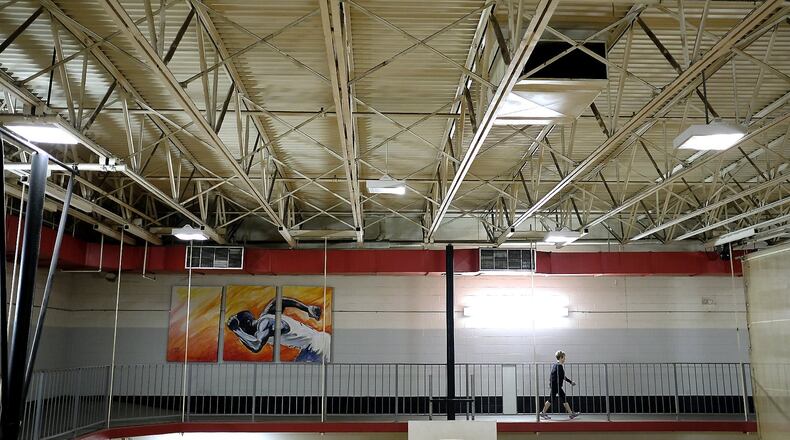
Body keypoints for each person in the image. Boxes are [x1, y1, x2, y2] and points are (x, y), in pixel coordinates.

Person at [226, 297, 331, 362]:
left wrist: (236, 330)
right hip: (322, 339)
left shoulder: (264, 324)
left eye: (243, 329)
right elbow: (279, 301)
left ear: (247, 324)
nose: (245, 335)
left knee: (297, 379)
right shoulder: (267, 316)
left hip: (315, 347)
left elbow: (256, 346)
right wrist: (306, 308)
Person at [539, 350, 580, 420]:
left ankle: (570, 414)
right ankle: (571, 414)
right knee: (555, 399)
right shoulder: (559, 366)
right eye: (564, 358)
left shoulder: (556, 365)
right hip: (556, 386)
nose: (565, 359)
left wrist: (551, 384)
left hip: (555, 385)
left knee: (554, 399)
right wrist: (571, 382)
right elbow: (563, 376)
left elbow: (555, 376)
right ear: (561, 357)